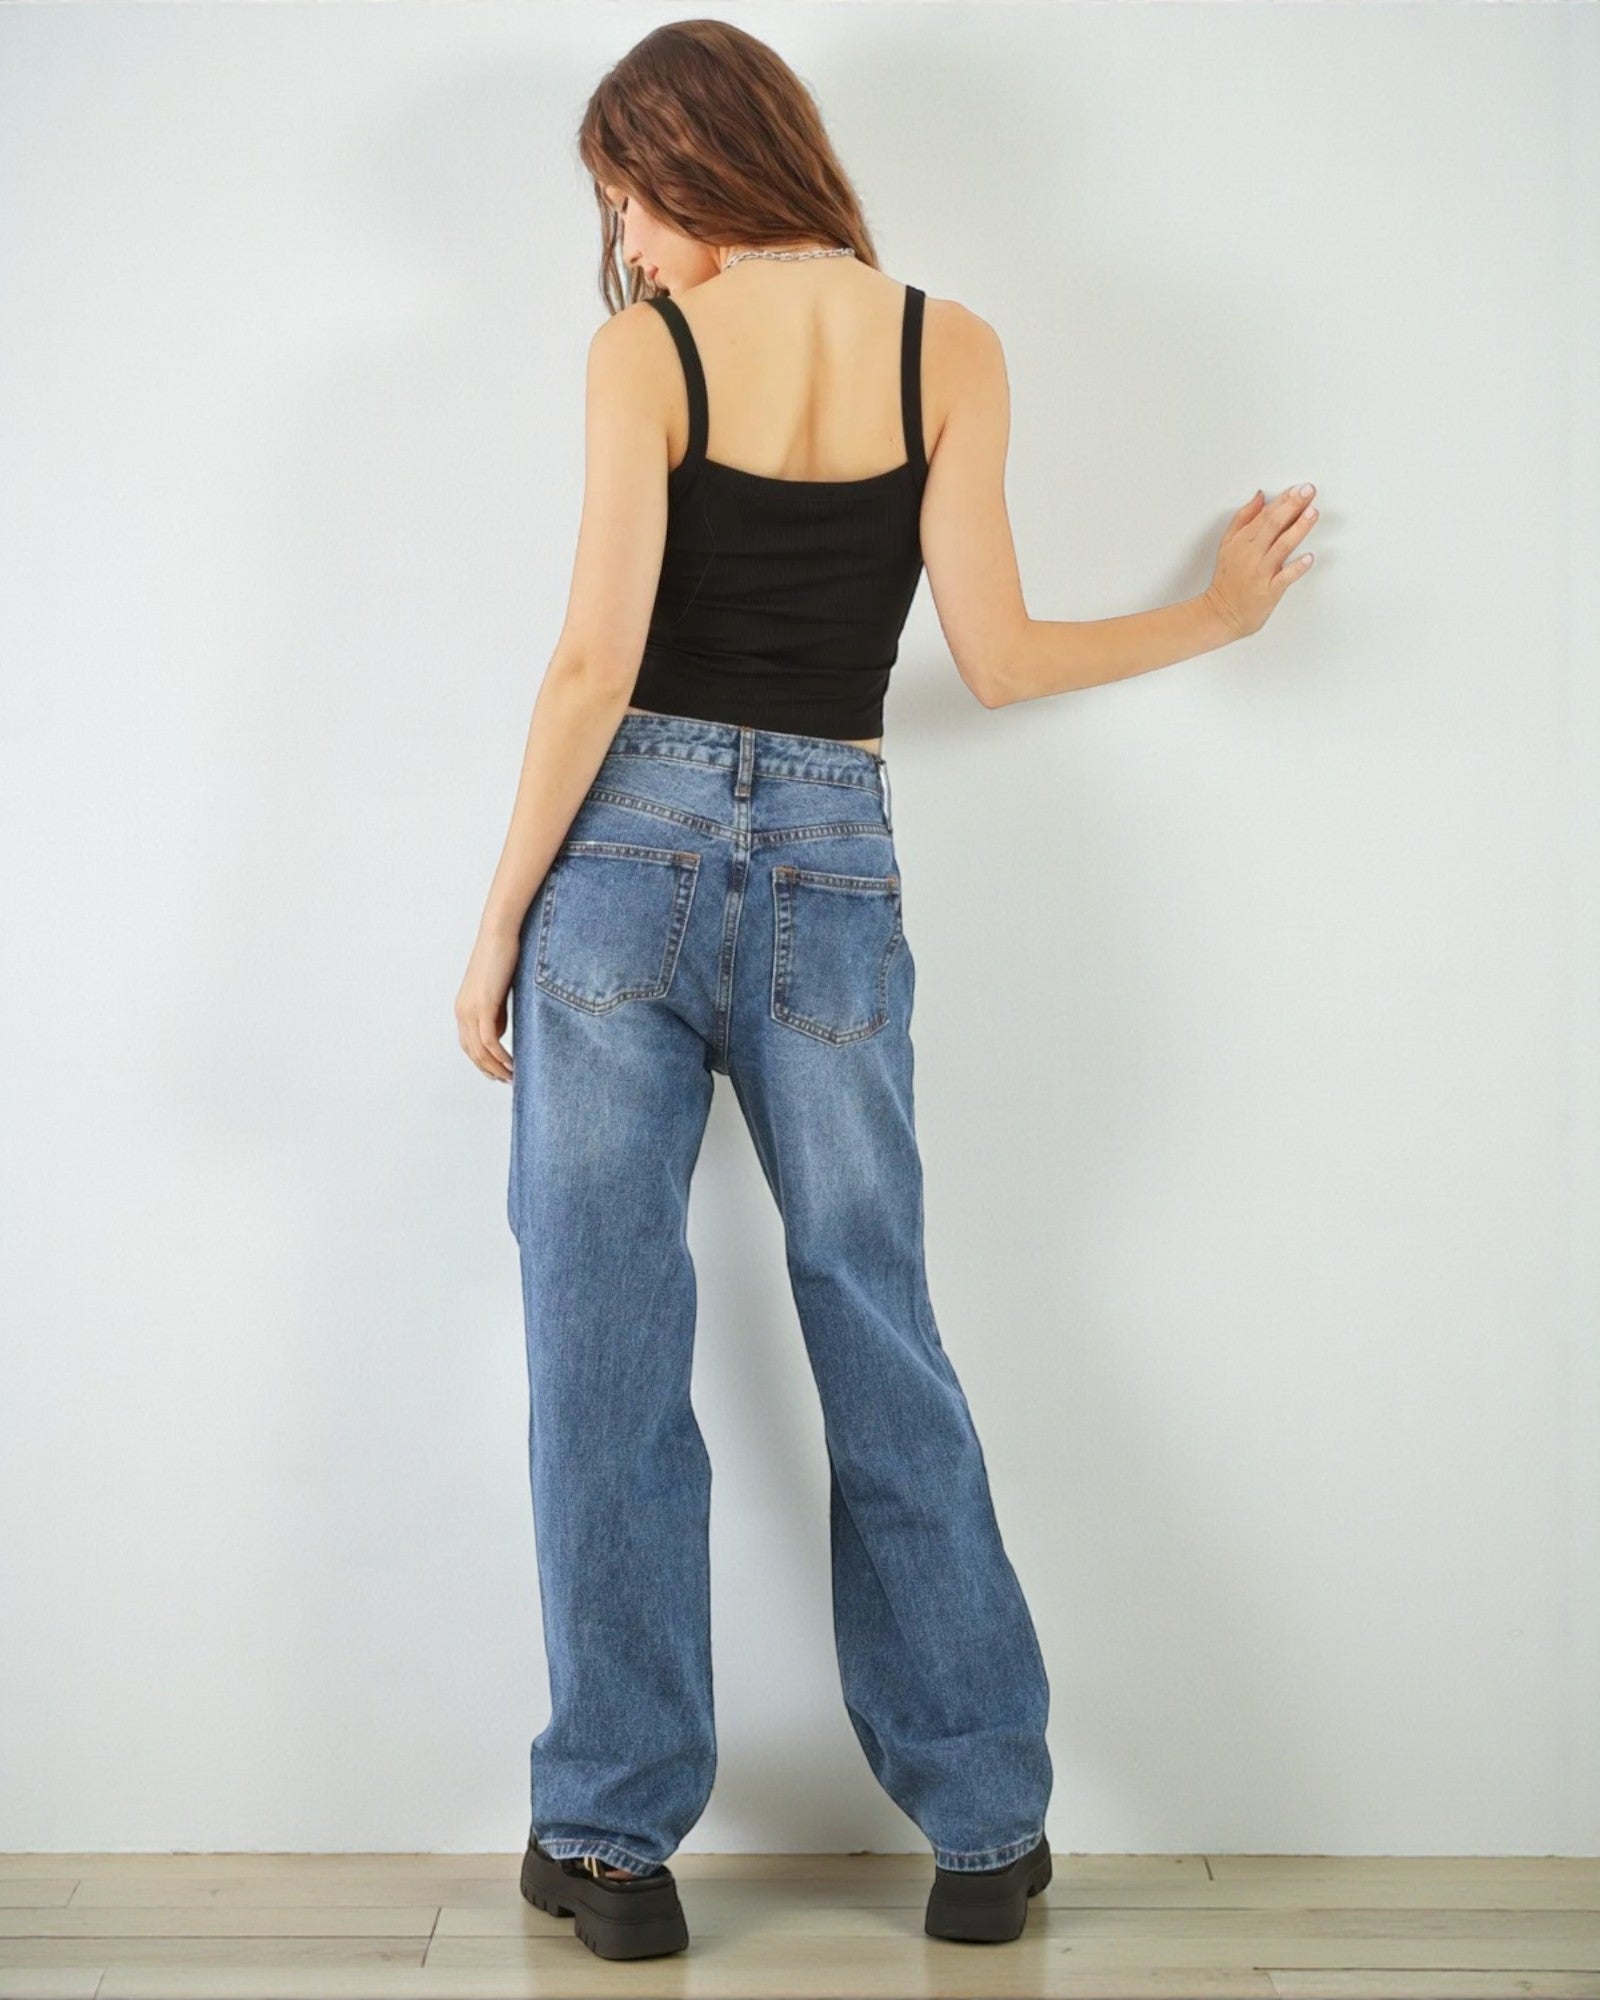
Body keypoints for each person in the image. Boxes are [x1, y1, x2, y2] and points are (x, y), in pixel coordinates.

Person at [453, 19, 1318, 1965]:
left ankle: (606, 1844)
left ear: (684, 158)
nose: (618, 229)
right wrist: (1215, 613)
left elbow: (592, 662)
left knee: (603, 1344)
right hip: (835, 860)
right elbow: (996, 657)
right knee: (879, 1324)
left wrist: (504, 908)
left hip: (627, 850)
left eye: (618, 184)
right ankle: (986, 1829)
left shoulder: (645, 352)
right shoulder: (952, 341)